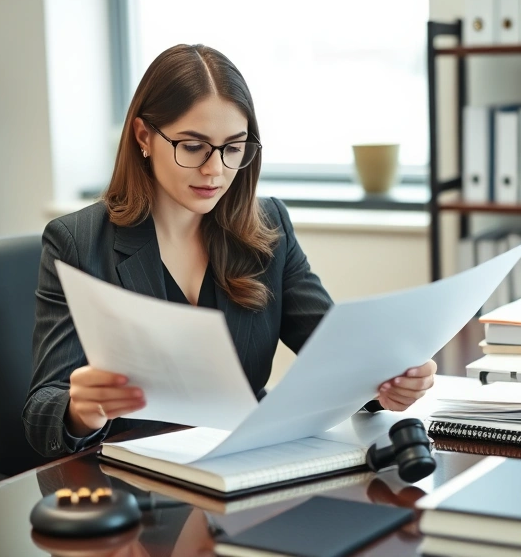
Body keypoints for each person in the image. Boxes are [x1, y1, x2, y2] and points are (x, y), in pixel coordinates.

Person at [23, 44, 437, 457]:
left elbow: (335, 358)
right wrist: (82, 410)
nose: (215, 170)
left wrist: (388, 381)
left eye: (233, 147)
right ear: (144, 136)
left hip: (247, 465)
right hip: (137, 481)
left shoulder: (268, 227)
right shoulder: (77, 242)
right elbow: (42, 412)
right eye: (193, 146)